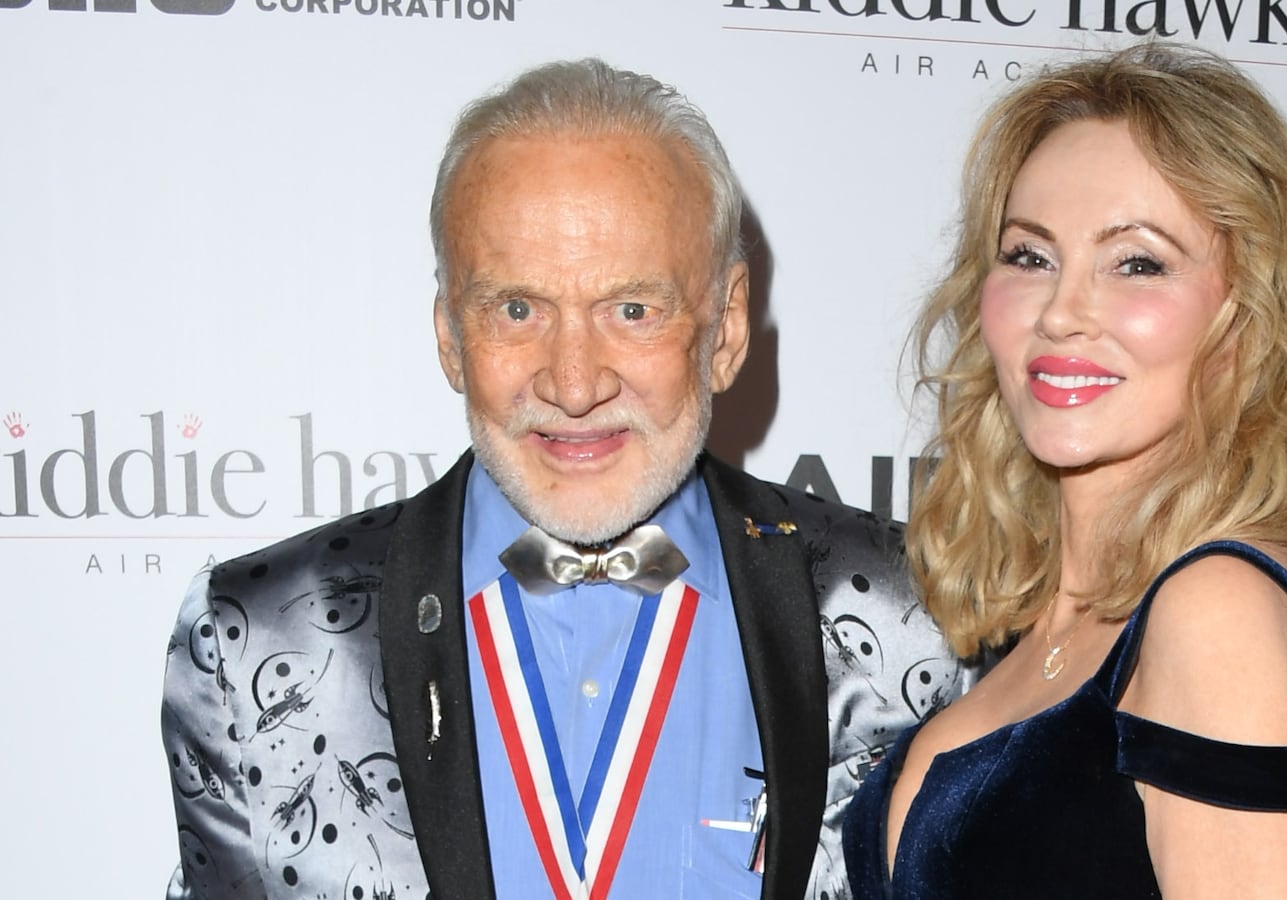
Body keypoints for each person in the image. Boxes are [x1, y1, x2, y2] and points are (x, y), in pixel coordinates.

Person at [161, 58, 965, 900]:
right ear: (449, 334)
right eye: (517, 309)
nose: (575, 385)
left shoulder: (911, 617)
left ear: (725, 330)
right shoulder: (257, 638)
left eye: (632, 310)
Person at [841, 42, 1287, 899]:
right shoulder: (1052, 631)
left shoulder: (1221, 613)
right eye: (1030, 256)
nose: (1062, 312)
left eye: (1138, 263)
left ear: (1249, 318)